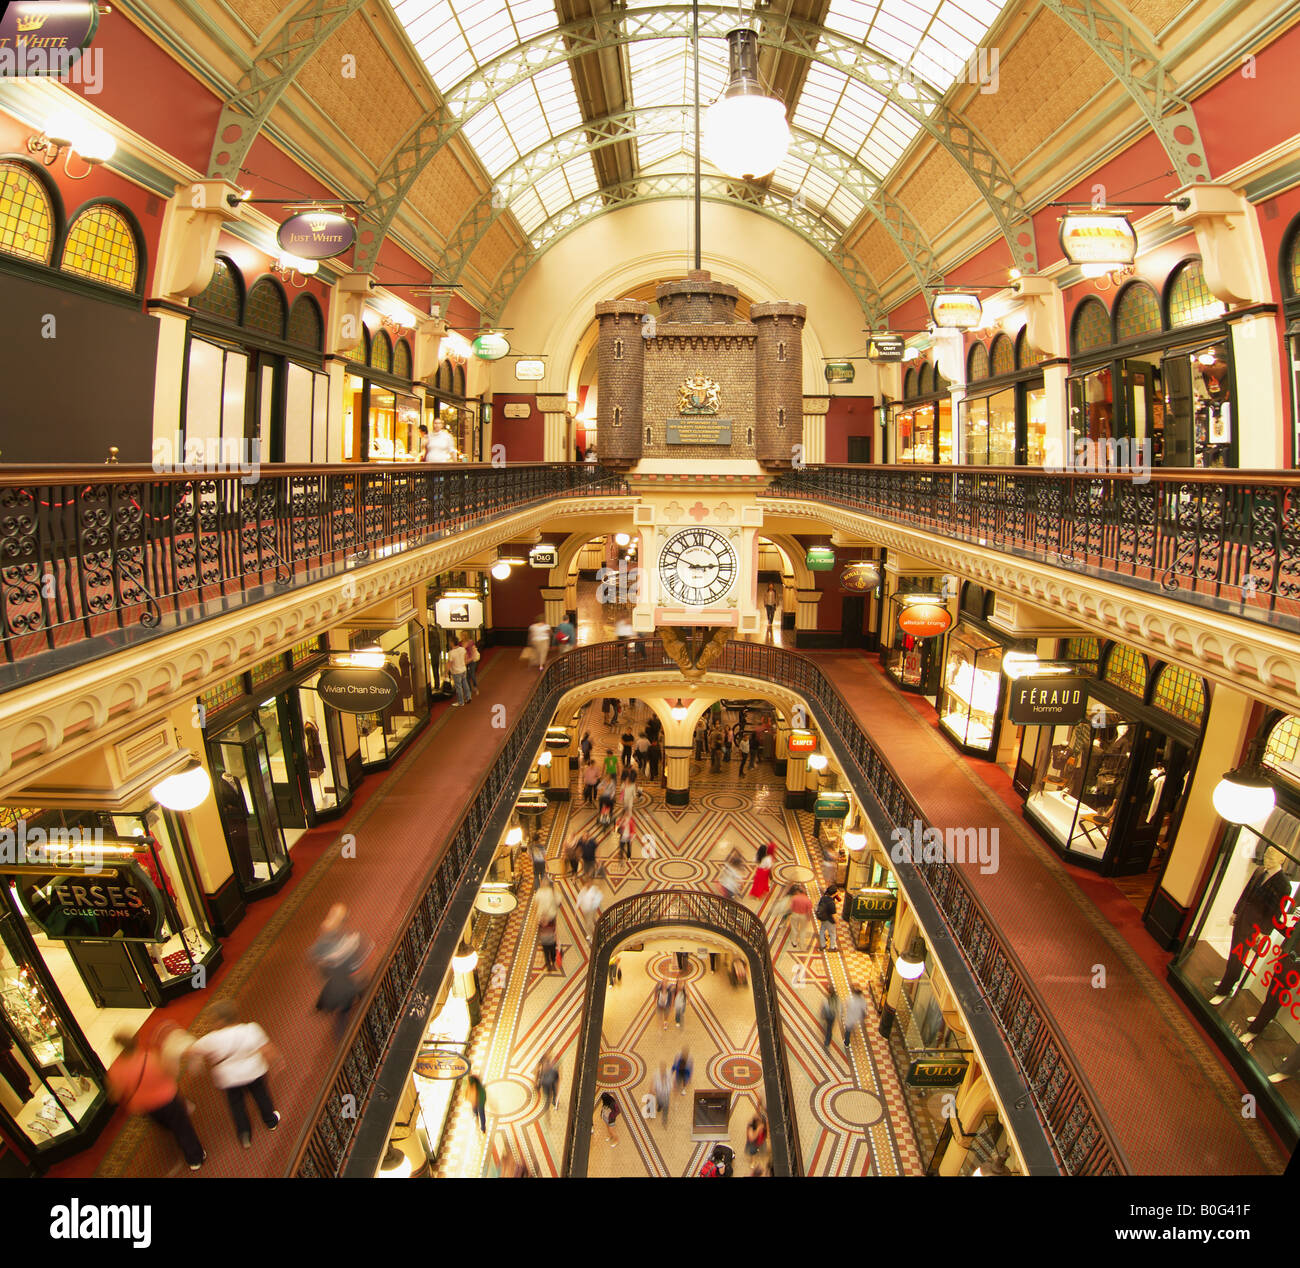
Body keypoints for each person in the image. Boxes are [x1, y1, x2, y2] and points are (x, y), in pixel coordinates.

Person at [106, 1028, 206, 1170]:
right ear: (136, 1042)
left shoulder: (115, 1070)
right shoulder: (150, 1057)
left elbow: (114, 1096)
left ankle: (168, 1127)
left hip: (146, 1106)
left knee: (164, 1122)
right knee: (182, 1127)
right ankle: (195, 1158)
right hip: (167, 1098)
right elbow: (170, 1073)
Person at [188, 1001, 282, 1149]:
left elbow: (192, 1050)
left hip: (229, 1079)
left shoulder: (211, 1039)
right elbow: (267, 1049)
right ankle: (270, 1121)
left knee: (237, 1106)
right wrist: (274, 1062)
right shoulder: (251, 1029)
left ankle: (244, 1135)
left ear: (219, 1021)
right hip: (254, 1071)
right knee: (261, 1096)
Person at [788, 884, 813, 951]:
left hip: (795, 914)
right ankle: (802, 945)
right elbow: (809, 911)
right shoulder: (807, 900)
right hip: (803, 916)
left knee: (794, 928)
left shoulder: (795, 898)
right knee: (803, 930)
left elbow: (791, 907)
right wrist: (808, 917)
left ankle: (794, 942)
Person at [843, 986, 869, 1051]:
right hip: (856, 1017)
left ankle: (846, 1043)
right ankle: (847, 1038)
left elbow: (847, 1004)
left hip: (850, 1017)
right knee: (850, 1027)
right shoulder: (862, 1000)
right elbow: (864, 1007)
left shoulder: (851, 1000)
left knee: (848, 1031)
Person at [446, 638, 470, 707]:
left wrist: (446, 672)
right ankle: (468, 697)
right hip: (463, 669)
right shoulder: (462, 649)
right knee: (465, 683)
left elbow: (449, 663)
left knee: (458, 687)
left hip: (456, 672)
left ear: (452, 643)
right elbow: (466, 658)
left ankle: (461, 702)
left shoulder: (451, 653)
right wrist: (464, 666)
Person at [816, 885, 839, 950]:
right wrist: (837, 922)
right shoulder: (831, 903)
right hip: (829, 920)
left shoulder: (823, 898)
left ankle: (822, 945)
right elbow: (834, 915)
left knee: (822, 931)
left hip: (823, 918)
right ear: (834, 893)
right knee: (832, 933)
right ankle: (832, 947)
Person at [653, 1062, 673, 1127]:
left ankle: (664, 1121)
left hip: (666, 1092)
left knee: (666, 1107)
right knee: (659, 1101)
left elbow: (671, 1081)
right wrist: (653, 1088)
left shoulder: (669, 1073)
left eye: (663, 1069)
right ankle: (659, 1106)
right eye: (661, 1069)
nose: (662, 1070)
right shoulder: (656, 1073)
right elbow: (654, 1081)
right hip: (659, 1092)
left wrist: (669, 1087)